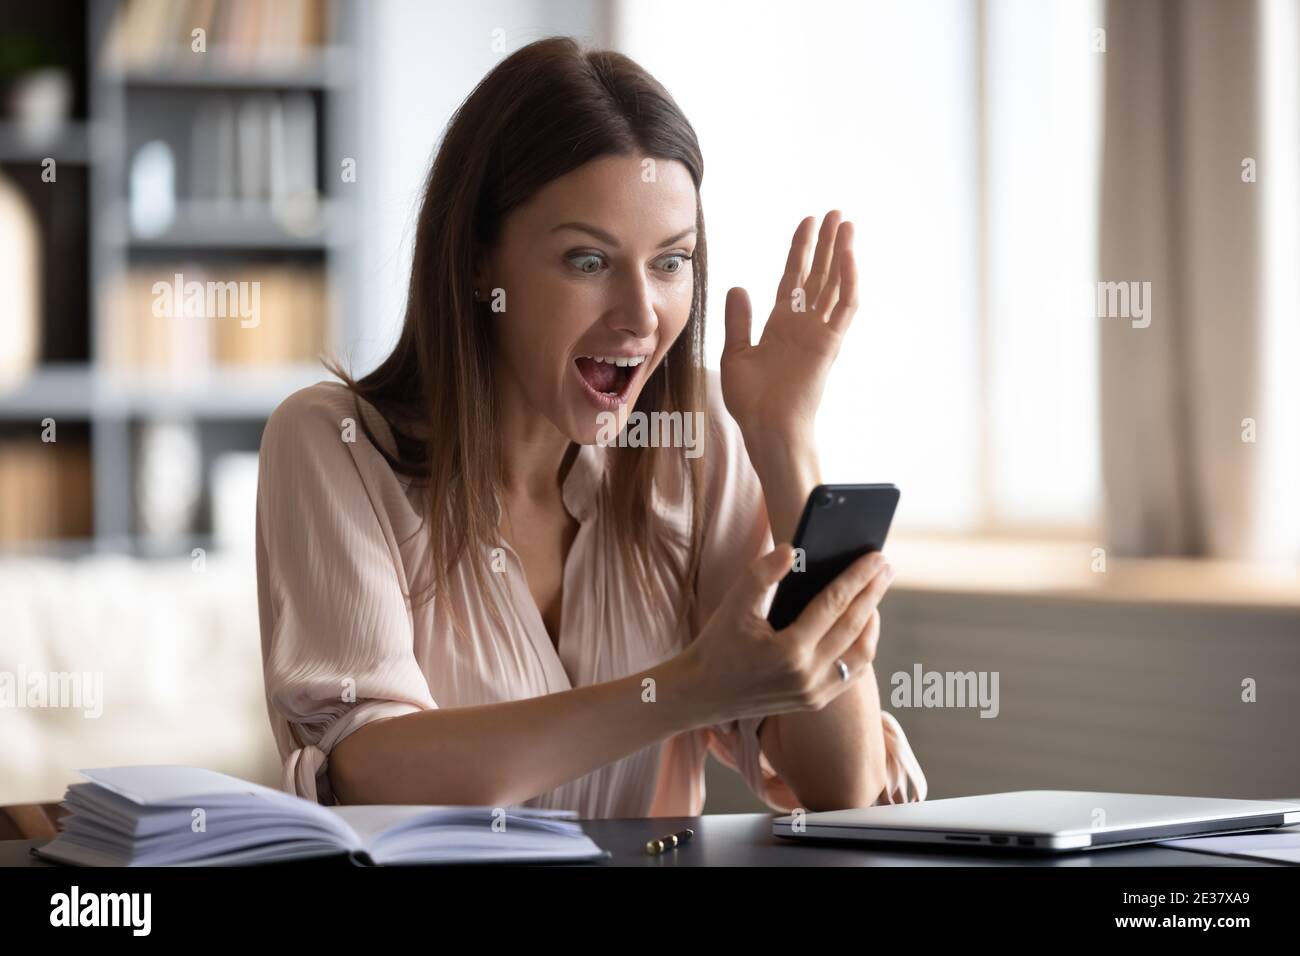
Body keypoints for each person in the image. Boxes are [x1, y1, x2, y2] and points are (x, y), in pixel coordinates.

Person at [255, 36, 927, 817]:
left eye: (671, 262)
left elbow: (840, 788)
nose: (641, 314)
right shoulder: (331, 444)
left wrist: (783, 437)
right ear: (480, 264)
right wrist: (686, 690)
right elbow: (372, 771)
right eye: (588, 261)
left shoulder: (697, 438)